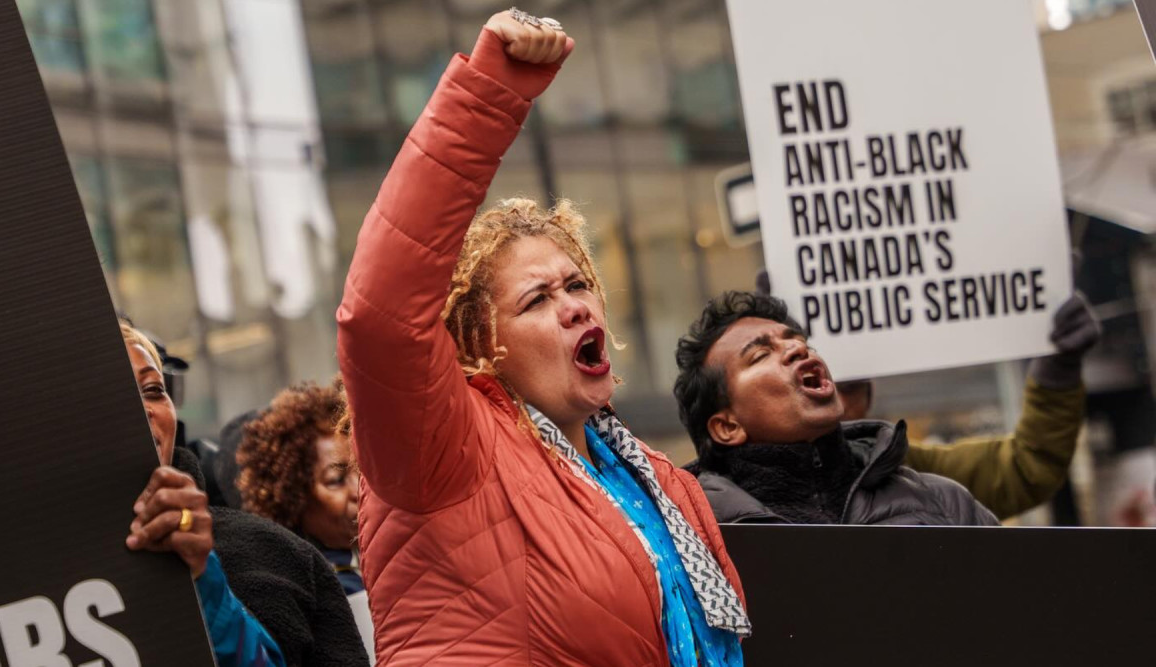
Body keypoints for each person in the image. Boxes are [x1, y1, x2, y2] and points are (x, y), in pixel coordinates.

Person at [336, 10, 750, 666]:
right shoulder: (449, 454)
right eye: (536, 299)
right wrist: (489, 92)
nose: (573, 306)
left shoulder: (662, 482)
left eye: (576, 284)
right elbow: (378, 314)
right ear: (476, 345)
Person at [121, 321, 370, 667]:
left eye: (152, 390)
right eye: (334, 480)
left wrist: (203, 578)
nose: (144, 409)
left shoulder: (282, 557)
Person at [754, 271, 1097, 520]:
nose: (825, 392)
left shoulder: (917, 478)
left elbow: (1026, 468)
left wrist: (1057, 372)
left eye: (847, 385)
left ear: (869, 400)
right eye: (805, 378)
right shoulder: (725, 503)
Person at [673, 292, 999, 526]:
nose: (796, 348)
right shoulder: (695, 537)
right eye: (760, 355)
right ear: (728, 427)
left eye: (800, 341)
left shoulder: (944, 504)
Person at [236, 380, 376, 663]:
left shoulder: (379, 553)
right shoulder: (312, 587)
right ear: (294, 499)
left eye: (359, 469)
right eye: (335, 481)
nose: (358, 488)